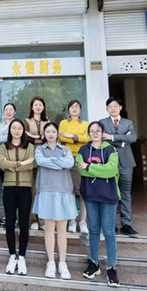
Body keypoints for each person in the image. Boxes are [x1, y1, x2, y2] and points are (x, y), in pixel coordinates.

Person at [78, 121, 121, 287]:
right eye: (92, 131)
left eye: (98, 131)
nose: (95, 133)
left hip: (109, 195)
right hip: (90, 195)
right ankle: (94, 263)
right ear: (88, 133)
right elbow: (80, 169)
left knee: (109, 231)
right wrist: (99, 169)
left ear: (103, 133)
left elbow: (111, 170)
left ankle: (111, 268)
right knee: (94, 229)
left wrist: (89, 167)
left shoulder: (111, 150)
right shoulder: (83, 150)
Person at [33, 122, 77, 280]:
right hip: (46, 190)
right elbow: (40, 161)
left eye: (53, 131)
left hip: (63, 191)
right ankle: (51, 262)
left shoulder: (65, 149)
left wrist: (51, 160)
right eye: (48, 131)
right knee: (49, 229)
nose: (50, 134)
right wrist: (59, 163)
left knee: (62, 229)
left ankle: (63, 263)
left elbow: (69, 163)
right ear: (44, 134)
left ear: (57, 134)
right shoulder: (40, 149)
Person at [0, 118, 35, 276]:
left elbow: (31, 164)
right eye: (14, 128)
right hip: (9, 188)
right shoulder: (3, 146)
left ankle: (22, 256)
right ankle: (12, 255)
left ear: (23, 130)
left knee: (24, 223)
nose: (17, 130)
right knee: (10, 222)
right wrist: (20, 164)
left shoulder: (30, 147)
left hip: (25, 188)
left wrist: (12, 165)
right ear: (10, 130)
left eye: (20, 128)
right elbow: (2, 164)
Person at [99, 97, 138, 237]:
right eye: (110, 106)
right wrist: (123, 139)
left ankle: (126, 224)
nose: (113, 108)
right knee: (110, 193)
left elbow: (133, 138)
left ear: (120, 107)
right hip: (108, 161)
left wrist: (112, 137)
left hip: (126, 162)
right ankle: (112, 224)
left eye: (115, 106)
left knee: (125, 193)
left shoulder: (128, 122)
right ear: (106, 109)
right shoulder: (102, 123)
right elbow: (101, 139)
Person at [58, 100, 90, 234]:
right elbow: (61, 138)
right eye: (72, 107)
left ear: (80, 109)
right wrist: (79, 138)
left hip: (82, 158)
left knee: (83, 192)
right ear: (68, 109)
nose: (74, 109)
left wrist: (71, 136)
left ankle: (82, 221)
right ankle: (72, 220)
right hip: (67, 158)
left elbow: (87, 139)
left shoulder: (86, 124)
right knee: (69, 191)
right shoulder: (63, 123)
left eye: (77, 107)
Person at [24, 97, 49, 230]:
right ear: (32, 107)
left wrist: (34, 136)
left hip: (45, 157)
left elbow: (49, 137)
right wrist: (39, 137)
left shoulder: (47, 122)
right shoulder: (27, 121)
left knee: (43, 188)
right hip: (31, 157)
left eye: (40, 104)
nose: (38, 107)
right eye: (36, 104)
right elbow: (25, 137)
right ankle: (34, 219)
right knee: (33, 189)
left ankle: (43, 219)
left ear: (43, 107)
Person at [0, 103, 17, 226]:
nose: (8, 112)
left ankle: (13, 217)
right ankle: (8, 215)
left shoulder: (16, 124)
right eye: (6, 109)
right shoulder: (0, 125)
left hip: (11, 159)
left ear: (14, 112)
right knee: (5, 189)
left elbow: (10, 137)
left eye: (11, 110)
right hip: (1, 160)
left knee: (12, 189)